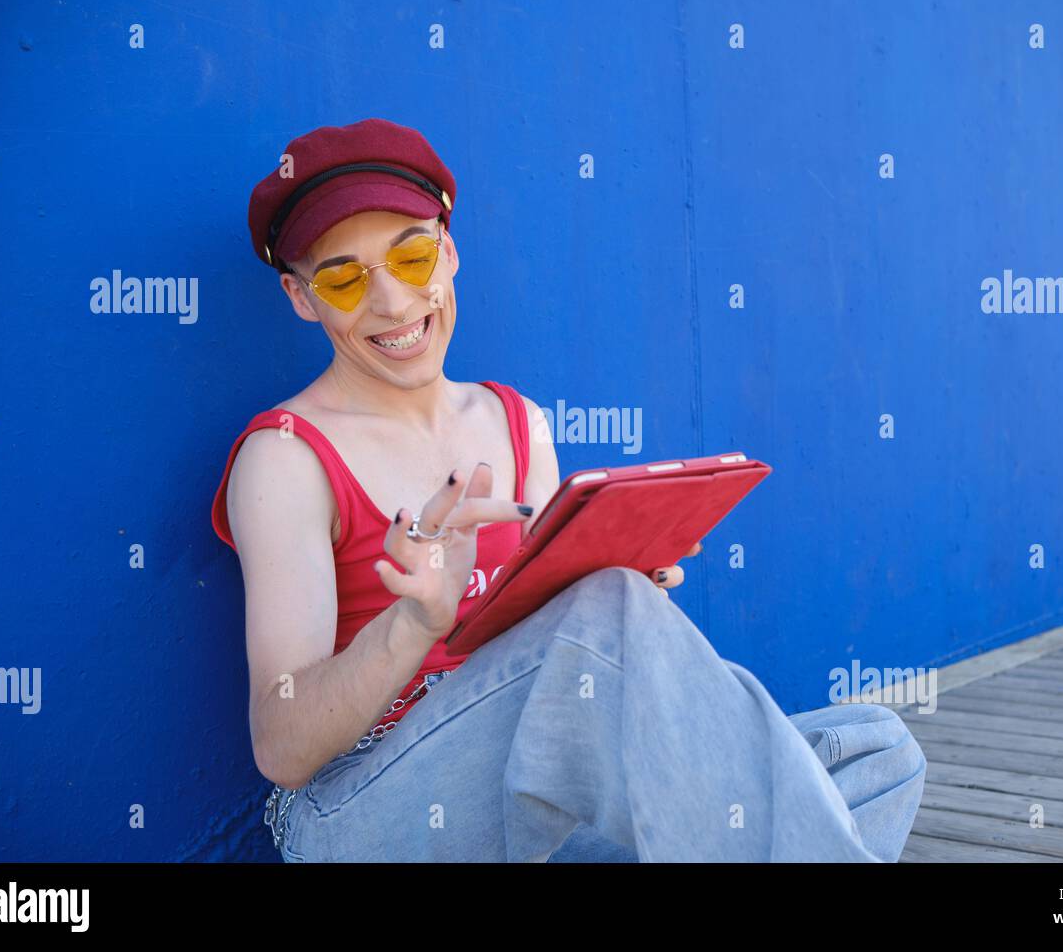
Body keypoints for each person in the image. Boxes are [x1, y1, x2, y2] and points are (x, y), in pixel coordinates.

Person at [211, 116, 926, 862]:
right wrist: (412, 625)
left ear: (449, 253)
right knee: (609, 621)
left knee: (878, 750)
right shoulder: (286, 456)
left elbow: (559, 659)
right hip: (359, 813)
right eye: (345, 278)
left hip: (529, 800)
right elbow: (283, 749)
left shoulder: (517, 422)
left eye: (413, 256)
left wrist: (630, 593)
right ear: (302, 297)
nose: (392, 304)